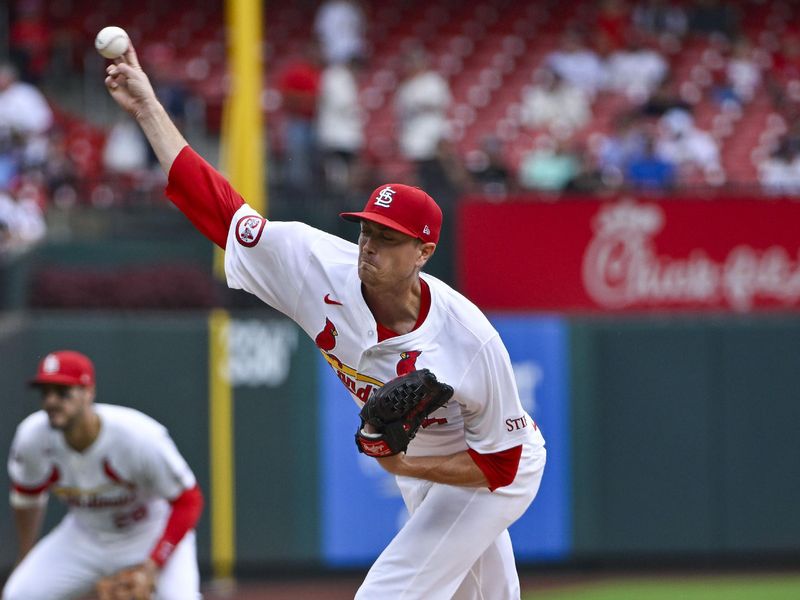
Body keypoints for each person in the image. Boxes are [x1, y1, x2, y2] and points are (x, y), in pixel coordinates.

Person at [103, 43, 546, 599]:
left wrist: (404, 466)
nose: (369, 246)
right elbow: (217, 207)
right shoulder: (316, 266)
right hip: (423, 462)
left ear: (424, 252)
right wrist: (146, 106)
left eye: (388, 238)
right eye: (366, 230)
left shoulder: (470, 339)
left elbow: (499, 467)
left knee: (388, 591)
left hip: (491, 471)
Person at [2, 350, 203, 600]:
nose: (51, 401)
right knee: (19, 594)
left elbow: (188, 500)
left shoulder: (138, 436)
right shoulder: (32, 436)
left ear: (89, 392)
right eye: (45, 392)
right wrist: (26, 556)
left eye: (62, 392)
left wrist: (153, 565)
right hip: (85, 535)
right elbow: (26, 497)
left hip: (148, 532)